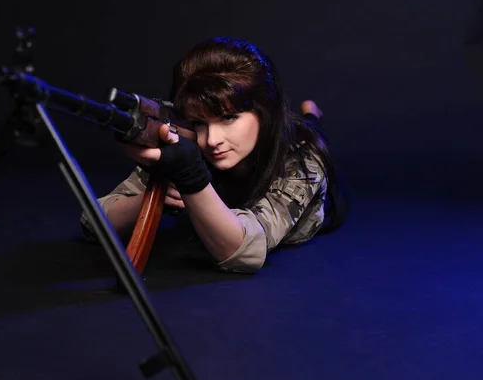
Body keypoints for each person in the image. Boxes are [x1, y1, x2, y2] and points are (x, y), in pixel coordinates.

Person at [80, 37, 347, 273]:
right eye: (198, 122)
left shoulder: (302, 160)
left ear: (264, 113)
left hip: (299, 149)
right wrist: (159, 193)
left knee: (311, 127)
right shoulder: (187, 139)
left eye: (228, 118)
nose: (212, 140)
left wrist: (191, 176)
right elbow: (92, 222)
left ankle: (312, 111)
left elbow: (246, 253)